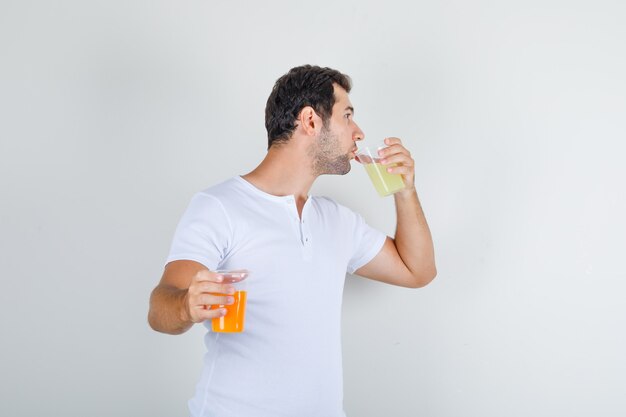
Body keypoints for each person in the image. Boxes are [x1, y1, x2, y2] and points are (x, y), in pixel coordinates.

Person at [148, 64, 436, 417]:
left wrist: (404, 191)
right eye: (347, 116)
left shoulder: (337, 219)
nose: (359, 133)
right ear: (310, 121)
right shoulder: (220, 206)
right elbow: (159, 309)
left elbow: (417, 271)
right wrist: (186, 307)